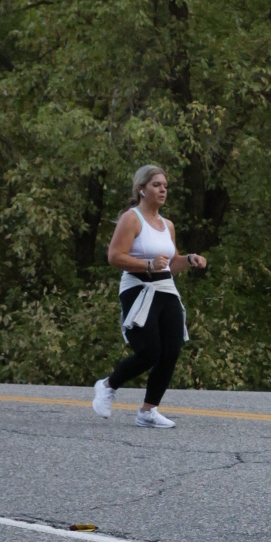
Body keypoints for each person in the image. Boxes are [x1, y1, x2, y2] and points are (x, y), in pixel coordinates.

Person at [91, 165, 206, 430]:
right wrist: (148, 265)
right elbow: (114, 257)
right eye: (156, 185)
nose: (163, 190)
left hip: (166, 289)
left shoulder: (168, 225)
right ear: (141, 189)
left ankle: (148, 411)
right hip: (138, 288)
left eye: (165, 185)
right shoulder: (132, 219)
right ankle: (107, 385)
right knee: (149, 351)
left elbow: (170, 264)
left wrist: (189, 259)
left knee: (171, 350)